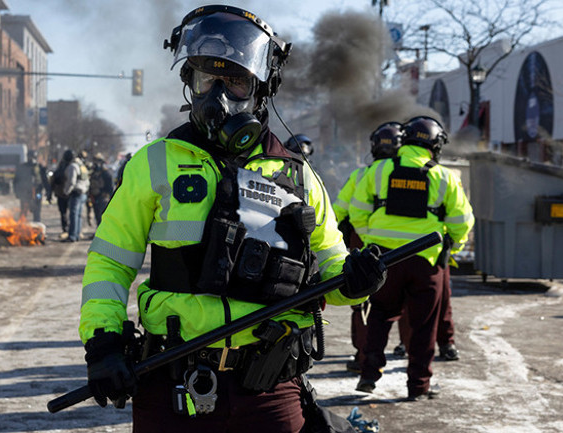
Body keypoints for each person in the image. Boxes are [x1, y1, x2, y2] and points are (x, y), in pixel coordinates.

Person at [78, 5, 388, 432]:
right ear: (189, 81)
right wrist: (103, 341)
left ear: (262, 89)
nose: (218, 96)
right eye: (207, 79)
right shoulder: (153, 163)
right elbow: (110, 261)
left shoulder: (299, 176)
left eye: (236, 81)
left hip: (270, 388)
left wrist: (356, 281)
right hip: (172, 381)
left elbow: (333, 268)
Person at [349, 115, 473, 401]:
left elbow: (357, 211)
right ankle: (418, 386)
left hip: (385, 260)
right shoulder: (444, 177)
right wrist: (451, 248)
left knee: (379, 315)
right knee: (423, 326)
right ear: (435, 145)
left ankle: (368, 375)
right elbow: (462, 221)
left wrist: (372, 242)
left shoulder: (378, 170)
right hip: (425, 262)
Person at [333, 121, 403, 373]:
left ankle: (362, 355)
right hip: (397, 246)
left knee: (362, 300)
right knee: (404, 298)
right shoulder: (410, 173)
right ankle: (406, 347)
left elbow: (339, 211)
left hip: (362, 243)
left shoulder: (361, 175)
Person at [62, 149, 90, 242]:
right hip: (83, 193)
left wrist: (66, 192)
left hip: (76, 193)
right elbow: (87, 181)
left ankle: (72, 236)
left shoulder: (73, 166)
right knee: (78, 215)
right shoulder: (81, 165)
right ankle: (77, 235)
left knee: (73, 215)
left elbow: (71, 182)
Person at [50, 150, 73, 238]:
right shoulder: (69, 166)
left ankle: (68, 229)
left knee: (66, 213)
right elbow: (54, 179)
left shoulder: (68, 167)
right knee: (67, 213)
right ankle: (68, 229)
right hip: (65, 193)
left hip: (65, 193)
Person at [13, 150, 42, 221]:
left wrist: (47, 191)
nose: (31, 159)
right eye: (30, 157)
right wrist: (17, 192)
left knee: (36, 210)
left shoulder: (39, 167)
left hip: (37, 192)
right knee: (24, 210)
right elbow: (16, 180)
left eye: (33, 157)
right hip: (25, 192)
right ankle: (21, 224)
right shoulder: (22, 167)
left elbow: (43, 180)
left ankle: (36, 224)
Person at [88, 152, 113, 226]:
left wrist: (107, 196)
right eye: (95, 161)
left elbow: (110, 187)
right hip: (94, 197)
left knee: (102, 216)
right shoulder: (93, 172)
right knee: (97, 216)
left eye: (98, 161)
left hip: (103, 197)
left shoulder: (106, 173)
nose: (96, 163)